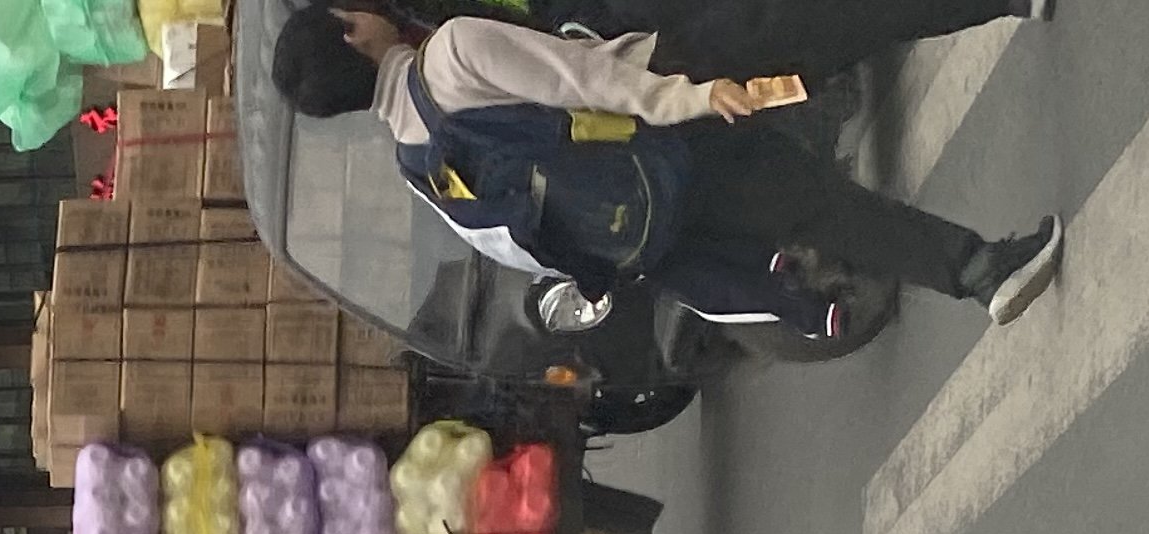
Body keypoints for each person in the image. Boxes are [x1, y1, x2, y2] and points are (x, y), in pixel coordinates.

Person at [273, 2, 1064, 325]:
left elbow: (521, 245)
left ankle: (981, 271)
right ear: (352, 32)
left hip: (650, 203)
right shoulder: (449, 54)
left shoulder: (415, 164)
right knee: (826, 20)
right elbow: (583, 78)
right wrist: (691, 96)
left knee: (820, 208)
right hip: (673, 102)